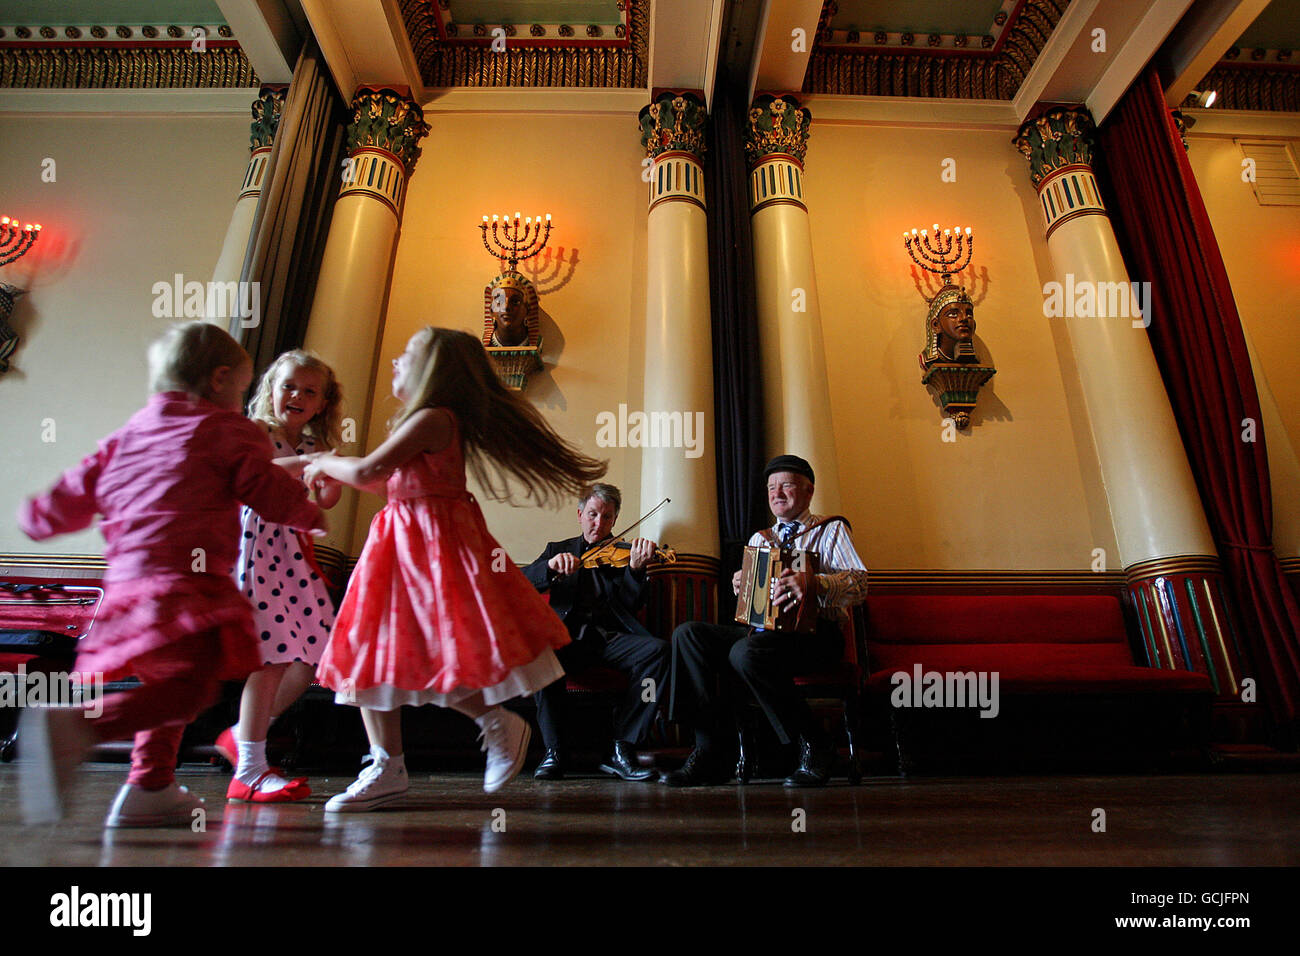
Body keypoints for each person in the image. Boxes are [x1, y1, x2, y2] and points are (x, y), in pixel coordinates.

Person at [16, 321, 325, 827]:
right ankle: (80, 728)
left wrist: (40, 517)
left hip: (127, 586)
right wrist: (307, 514)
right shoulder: (229, 431)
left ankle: (150, 785)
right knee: (189, 688)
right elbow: (263, 484)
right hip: (186, 584)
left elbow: (77, 488)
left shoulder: (132, 430)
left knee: (167, 685)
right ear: (222, 379)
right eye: (244, 387)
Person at [305, 327, 605, 812]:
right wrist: (315, 467)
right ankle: (388, 764)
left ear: (433, 371)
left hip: (424, 550)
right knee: (371, 653)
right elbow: (388, 485)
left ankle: (492, 722)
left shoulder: (432, 417)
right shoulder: (423, 421)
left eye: (408, 353)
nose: (397, 361)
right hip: (398, 546)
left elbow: (365, 474)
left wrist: (321, 460)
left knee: (430, 651)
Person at [662, 455, 868, 789]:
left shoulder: (831, 529)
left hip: (818, 636)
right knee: (689, 635)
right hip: (765, 635)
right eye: (771, 487)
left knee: (746, 652)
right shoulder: (761, 539)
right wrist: (738, 586)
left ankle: (815, 744)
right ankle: (709, 750)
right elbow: (753, 605)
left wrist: (815, 583)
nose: (777, 494)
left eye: (786, 485)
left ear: (808, 490)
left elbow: (860, 585)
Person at [218, 350, 343, 803]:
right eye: (289, 386)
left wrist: (330, 475)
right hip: (257, 547)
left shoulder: (311, 447)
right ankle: (249, 770)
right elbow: (259, 474)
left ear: (321, 405)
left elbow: (325, 501)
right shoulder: (255, 433)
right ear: (271, 389)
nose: (297, 396)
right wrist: (319, 465)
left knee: (314, 654)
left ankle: (243, 735)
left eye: (310, 391)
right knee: (270, 657)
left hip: (294, 554)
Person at [522, 483, 669, 781]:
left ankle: (622, 748)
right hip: (567, 638)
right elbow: (522, 582)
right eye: (592, 515)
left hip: (609, 639)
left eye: (606, 518)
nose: (598, 524)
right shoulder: (557, 550)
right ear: (580, 514)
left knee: (659, 652)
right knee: (540, 653)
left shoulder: (625, 555)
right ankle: (554, 752)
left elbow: (629, 606)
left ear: (615, 520)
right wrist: (550, 568)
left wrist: (636, 571)